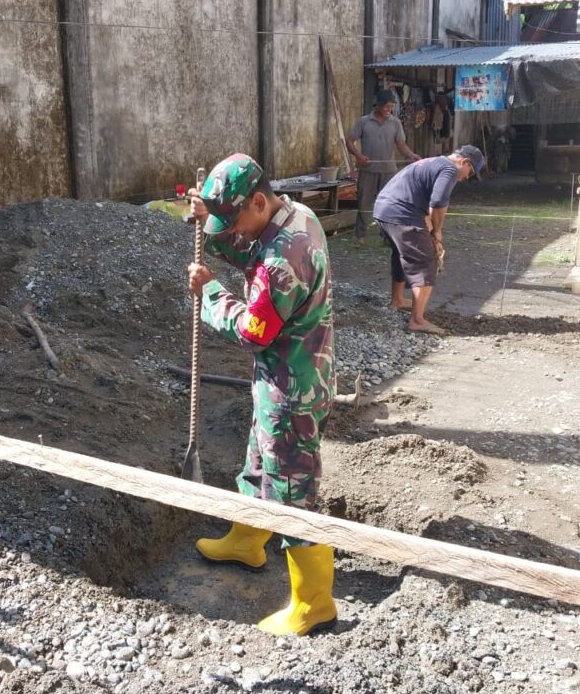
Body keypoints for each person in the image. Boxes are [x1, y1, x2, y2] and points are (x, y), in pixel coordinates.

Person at [187, 153, 336, 636]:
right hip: (287, 375)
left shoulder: (282, 259)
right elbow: (251, 246)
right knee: (259, 459)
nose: (235, 230)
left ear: (257, 201)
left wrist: (211, 293)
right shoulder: (292, 215)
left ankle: (314, 604)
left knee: (293, 488)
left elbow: (254, 330)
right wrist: (213, 223)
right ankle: (249, 539)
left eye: (234, 219)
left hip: (292, 386)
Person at [373, 145, 484, 336]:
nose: (465, 178)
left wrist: (430, 227)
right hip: (401, 213)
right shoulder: (449, 169)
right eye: (470, 172)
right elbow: (438, 202)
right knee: (425, 261)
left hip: (383, 209)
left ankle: (398, 300)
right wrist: (437, 233)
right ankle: (417, 320)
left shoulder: (433, 161)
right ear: (465, 162)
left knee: (402, 254)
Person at [345, 90, 421, 247]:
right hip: (368, 170)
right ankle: (361, 237)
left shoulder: (395, 123)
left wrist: (411, 155)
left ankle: (387, 237)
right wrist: (359, 156)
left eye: (391, 107)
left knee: (388, 205)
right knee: (363, 205)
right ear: (378, 105)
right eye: (387, 106)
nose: (389, 110)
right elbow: (349, 141)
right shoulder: (364, 122)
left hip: (389, 172)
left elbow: (401, 145)